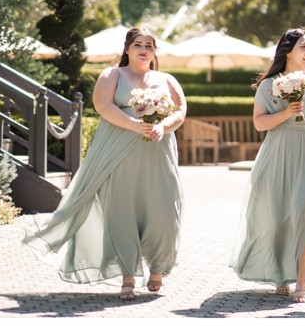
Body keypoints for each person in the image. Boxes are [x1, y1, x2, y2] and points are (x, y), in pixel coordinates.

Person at [23, 26, 185, 300]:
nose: (144, 49)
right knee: (123, 213)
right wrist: (135, 125)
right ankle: (128, 276)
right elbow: (102, 106)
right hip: (119, 154)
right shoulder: (112, 75)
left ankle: (157, 267)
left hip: (158, 154)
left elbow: (181, 110)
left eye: (149, 45)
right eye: (138, 45)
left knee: (166, 211)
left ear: (155, 51)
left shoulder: (166, 79)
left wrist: (163, 126)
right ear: (127, 49)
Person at [228, 27, 305, 303]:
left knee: (303, 215)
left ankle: (302, 280)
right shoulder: (269, 85)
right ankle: (281, 274)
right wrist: (285, 113)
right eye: (304, 47)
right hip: (276, 154)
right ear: (288, 51)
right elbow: (259, 123)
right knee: (277, 216)